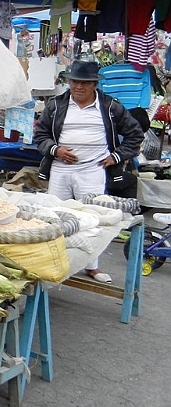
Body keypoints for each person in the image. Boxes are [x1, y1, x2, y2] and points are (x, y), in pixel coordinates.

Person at [34, 59, 143, 284]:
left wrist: (116, 156)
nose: (78, 86)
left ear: (95, 84)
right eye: (74, 81)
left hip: (93, 171)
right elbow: (40, 135)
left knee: (92, 218)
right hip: (60, 171)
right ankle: (51, 260)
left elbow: (135, 134)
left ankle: (92, 266)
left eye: (84, 82)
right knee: (54, 215)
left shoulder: (110, 107)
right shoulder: (56, 105)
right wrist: (56, 150)